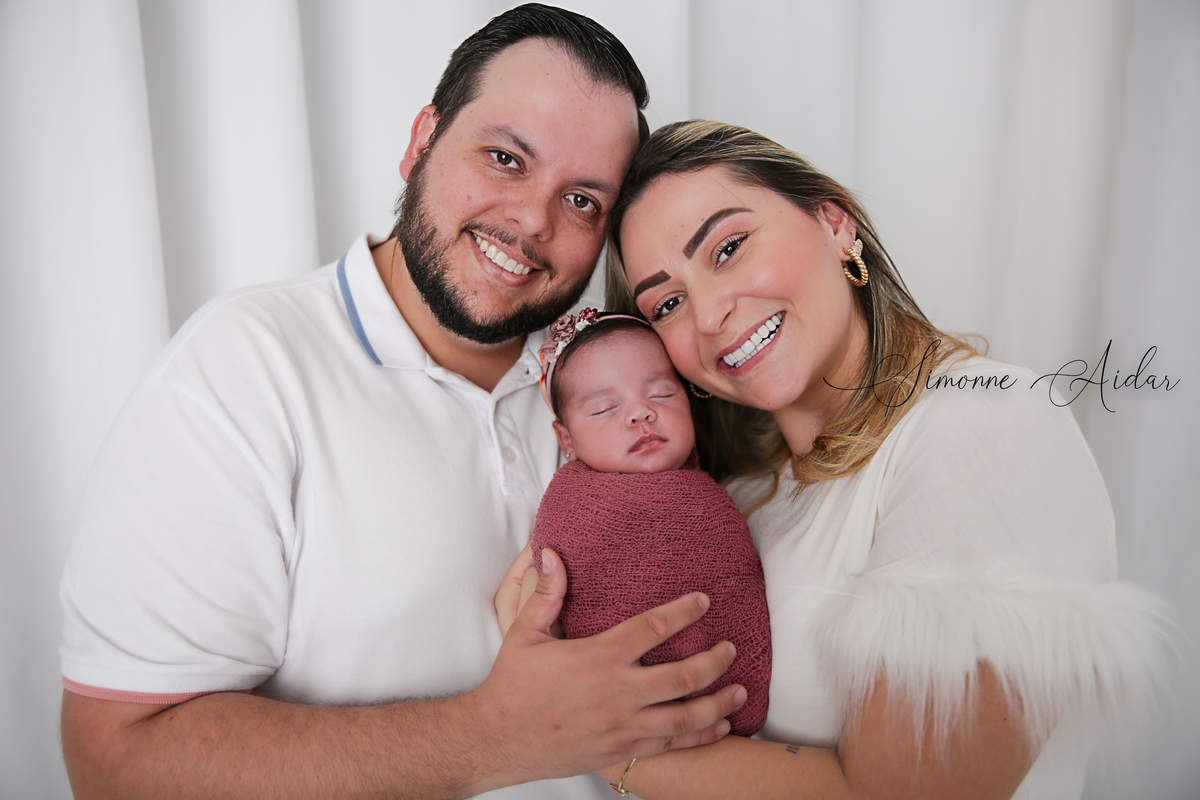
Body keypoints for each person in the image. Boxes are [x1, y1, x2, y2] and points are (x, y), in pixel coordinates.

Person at [56, 9, 745, 799]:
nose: (532, 221)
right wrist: (491, 737)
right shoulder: (242, 368)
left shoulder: (620, 367)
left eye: (583, 200)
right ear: (422, 140)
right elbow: (113, 761)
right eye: (505, 158)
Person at [590, 119, 1170, 799]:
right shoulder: (744, 494)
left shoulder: (984, 425)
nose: (711, 314)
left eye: (729, 247)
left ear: (835, 224)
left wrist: (604, 747)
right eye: (668, 303)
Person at [516, 308, 771, 737]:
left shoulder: (721, 495)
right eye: (605, 408)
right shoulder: (573, 508)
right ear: (567, 439)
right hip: (606, 718)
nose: (640, 413)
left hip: (735, 708)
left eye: (662, 394)